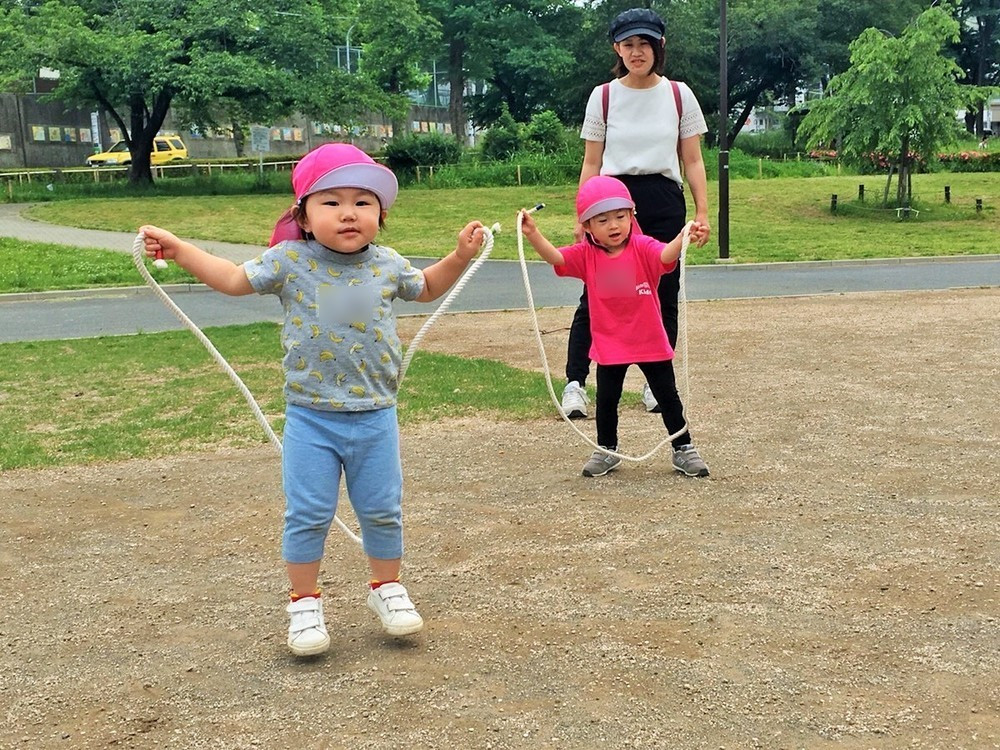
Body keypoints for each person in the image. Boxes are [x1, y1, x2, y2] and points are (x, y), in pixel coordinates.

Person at [140, 143, 486, 657]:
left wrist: (459, 256)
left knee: (382, 510)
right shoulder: (289, 261)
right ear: (302, 216)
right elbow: (233, 280)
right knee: (308, 513)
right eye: (331, 201)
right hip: (311, 418)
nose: (349, 213)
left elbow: (428, 287)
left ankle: (386, 588)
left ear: (380, 215)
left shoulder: (389, 264)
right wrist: (180, 249)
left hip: (375, 415)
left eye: (363, 202)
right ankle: (304, 603)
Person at [561, 7, 711, 420]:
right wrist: (581, 217)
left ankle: (655, 383)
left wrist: (702, 211)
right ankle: (575, 383)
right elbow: (592, 162)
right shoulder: (604, 96)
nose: (637, 51)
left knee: (663, 292)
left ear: (660, 46)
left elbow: (692, 159)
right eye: (628, 44)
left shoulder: (679, 94)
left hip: (663, 199)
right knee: (597, 293)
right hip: (610, 200)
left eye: (644, 43)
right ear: (617, 49)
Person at [521, 175, 710, 478]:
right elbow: (556, 257)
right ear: (587, 226)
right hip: (610, 345)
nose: (614, 225)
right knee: (607, 401)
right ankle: (607, 448)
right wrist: (533, 234)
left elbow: (665, 255)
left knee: (668, 397)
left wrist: (682, 236)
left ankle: (683, 447)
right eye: (603, 220)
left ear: (632, 215)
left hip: (649, 341)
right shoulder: (586, 255)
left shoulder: (643, 246)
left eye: (621, 216)